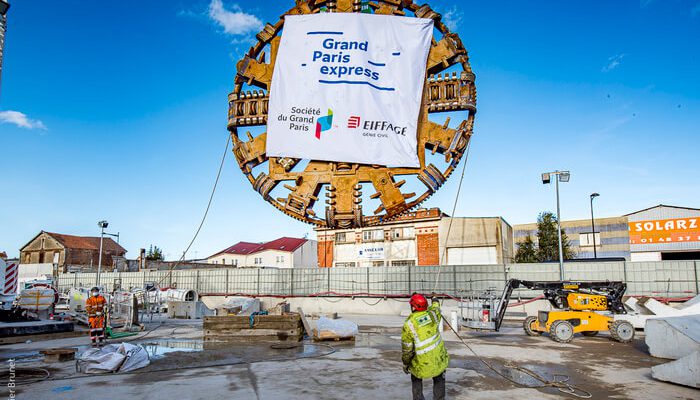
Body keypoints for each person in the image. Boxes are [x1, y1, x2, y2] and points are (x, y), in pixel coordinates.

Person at [402, 293, 449, 400]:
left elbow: (407, 349)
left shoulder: (409, 324)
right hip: (438, 358)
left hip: (421, 362)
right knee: (439, 377)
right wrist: (434, 298)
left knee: (415, 375)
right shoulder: (432, 315)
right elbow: (436, 307)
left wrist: (406, 363)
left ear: (413, 307)